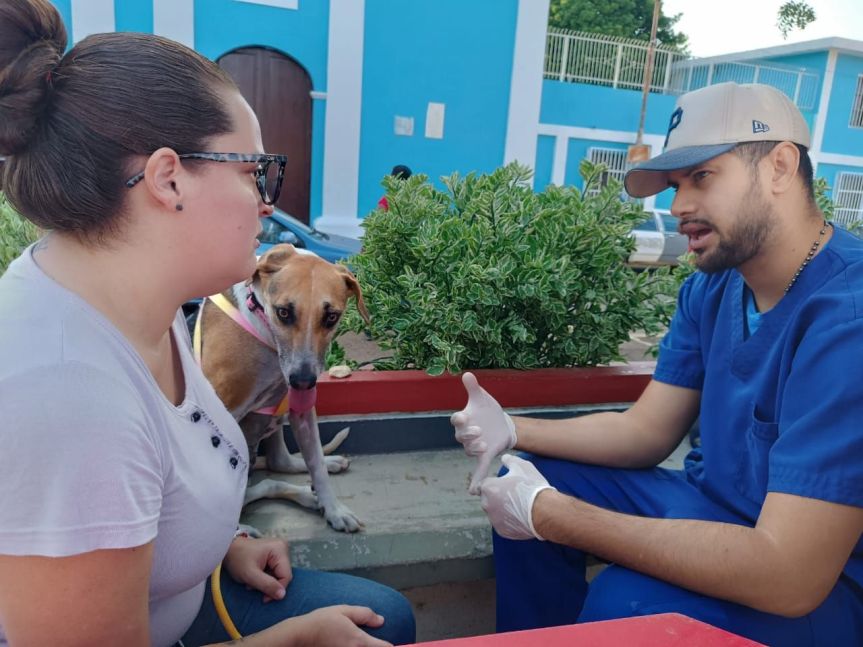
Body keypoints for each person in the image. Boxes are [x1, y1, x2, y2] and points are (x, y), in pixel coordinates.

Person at [0, 2, 414, 646]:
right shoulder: (66, 394)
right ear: (169, 180)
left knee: (387, 614)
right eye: (254, 173)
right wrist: (294, 639)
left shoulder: (139, 301)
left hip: (188, 595)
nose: (268, 204)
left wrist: (221, 545)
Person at [451, 82, 863, 646]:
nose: (677, 208)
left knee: (624, 603)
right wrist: (513, 430)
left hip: (825, 582)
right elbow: (645, 431)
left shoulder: (848, 316)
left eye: (702, 177)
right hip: (714, 505)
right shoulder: (713, 288)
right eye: (674, 185)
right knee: (524, 477)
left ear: (780, 167)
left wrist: (550, 516)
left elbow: (790, 577)